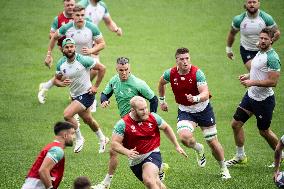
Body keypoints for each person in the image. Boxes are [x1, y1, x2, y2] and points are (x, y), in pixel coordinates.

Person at [94, 57, 169, 189]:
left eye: (126, 69)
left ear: (130, 68)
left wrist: (151, 118)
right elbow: (104, 94)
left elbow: (153, 99)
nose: (124, 72)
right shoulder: (114, 81)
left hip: (138, 124)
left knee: (121, 150)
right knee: (114, 150)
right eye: (121, 70)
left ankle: (106, 183)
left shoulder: (138, 83)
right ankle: (158, 167)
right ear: (116, 69)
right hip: (126, 124)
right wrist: (104, 100)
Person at [158, 47, 231, 179]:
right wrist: (162, 101)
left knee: (213, 142)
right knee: (184, 137)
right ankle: (198, 148)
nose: (185, 61)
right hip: (186, 111)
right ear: (176, 61)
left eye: (187, 58)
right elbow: (161, 82)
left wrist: (195, 98)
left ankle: (223, 167)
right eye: (182, 59)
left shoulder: (197, 73)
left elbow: (205, 93)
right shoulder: (170, 73)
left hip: (203, 110)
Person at [225, 28, 281, 167]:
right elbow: (258, 70)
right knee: (236, 124)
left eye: (265, 39)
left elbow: (273, 82)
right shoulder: (260, 51)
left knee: (264, 131)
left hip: (264, 101)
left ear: (271, 40)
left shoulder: (272, 58)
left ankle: (281, 154)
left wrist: (252, 82)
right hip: (250, 96)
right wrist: (248, 75)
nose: (261, 41)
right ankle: (240, 156)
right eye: (261, 38)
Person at [39, 5, 106, 113]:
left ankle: (88, 98)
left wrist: (91, 51)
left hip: (85, 59)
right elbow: (54, 38)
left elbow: (102, 44)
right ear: (73, 16)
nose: (80, 18)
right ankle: (45, 87)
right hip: (70, 58)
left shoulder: (91, 27)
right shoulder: (67, 27)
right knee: (61, 78)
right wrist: (48, 54)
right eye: (78, 15)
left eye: (82, 15)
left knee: (94, 71)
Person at [111, 96, 187, 189]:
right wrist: (127, 152)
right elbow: (114, 144)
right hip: (135, 161)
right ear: (133, 110)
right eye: (141, 109)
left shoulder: (153, 117)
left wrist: (177, 145)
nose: (145, 111)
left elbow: (166, 127)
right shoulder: (123, 124)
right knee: (156, 184)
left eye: (146, 108)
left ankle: (158, 167)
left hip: (152, 153)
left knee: (149, 181)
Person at [53, 38, 108, 154]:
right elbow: (56, 81)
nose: (69, 49)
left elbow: (102, 68)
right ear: (62, 49)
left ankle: (79, 138)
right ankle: (103, 139)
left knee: (67, 115)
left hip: (86, 94)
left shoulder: (83, 60)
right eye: (67, 47)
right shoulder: (61, 64)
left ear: (74, 48)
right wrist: (62, 83)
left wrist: (95, 87)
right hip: (74, 96)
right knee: (88, 120)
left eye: (71, 46)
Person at [38, 0, 75, 104]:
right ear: (64, 5)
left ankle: (45, 86)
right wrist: (62, 35)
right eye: (68, 5)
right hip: (66, 49)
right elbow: (51, 34)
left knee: (75, 72)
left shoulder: (77, 16)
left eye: (72, 5)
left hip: (76, 48)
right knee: (68, 73)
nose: (70, 7)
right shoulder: (58, 19)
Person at [226, 0, 280, 71]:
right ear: (246, 4)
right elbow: (232, 33)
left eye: (254, 2)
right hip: (247, 51)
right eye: (249, 2)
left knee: (264, 76)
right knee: (255, 72)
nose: (252, 4)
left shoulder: (266, 18)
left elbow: (277, 33)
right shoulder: (239, 20)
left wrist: (268, 42)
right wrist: (228, 50)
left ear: (258, 3)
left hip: (264, 51)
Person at [21, 121, 75, 189]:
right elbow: (43, 170)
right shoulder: (57, 150)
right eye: (73, 134)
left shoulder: (52, 147)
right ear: (65, 135)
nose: (74, 137)